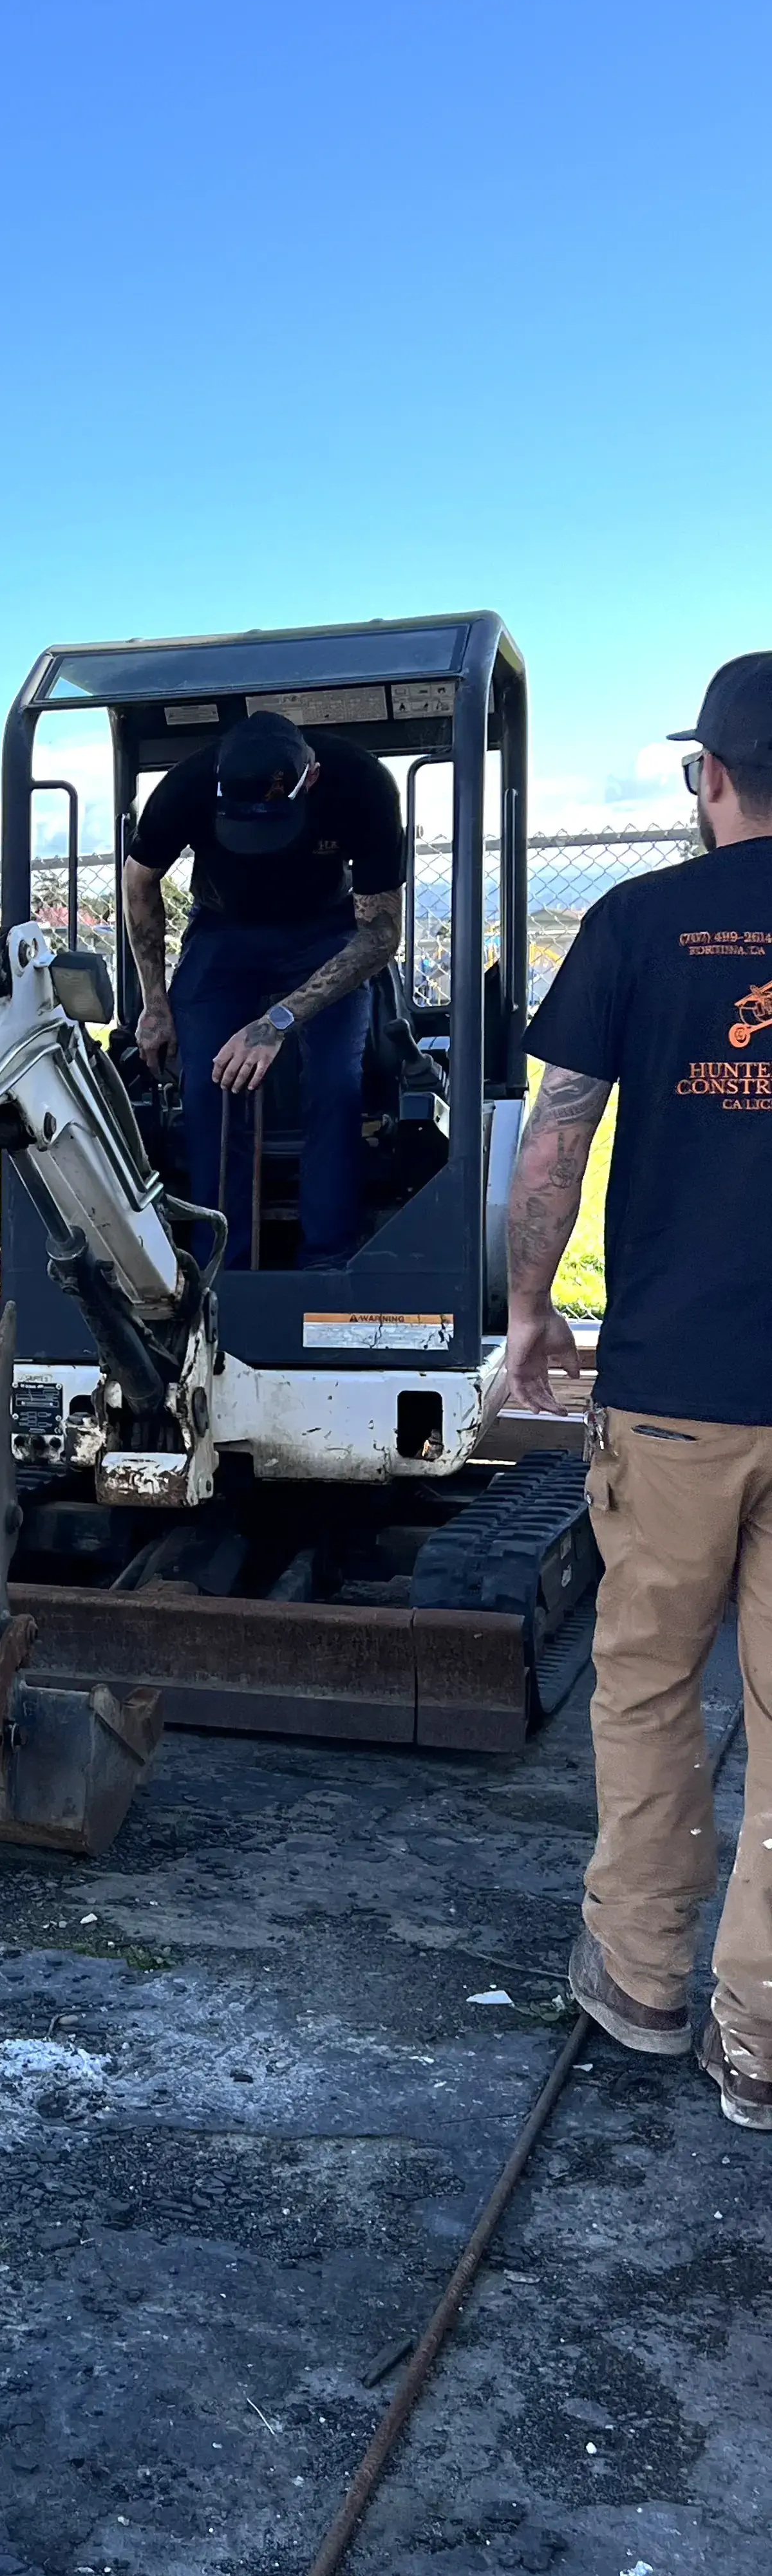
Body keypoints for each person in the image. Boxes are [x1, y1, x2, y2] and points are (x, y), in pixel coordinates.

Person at [505, 651, 772, 2131]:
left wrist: (529, 1310)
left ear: (708, 776)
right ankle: (765, 2040)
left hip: (672, 1394)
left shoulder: (638, 922)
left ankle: (644, 1982)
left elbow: (557, 1136)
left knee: (654, 1686)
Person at [124, 711, 405, 1267]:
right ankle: (221, 1267)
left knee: (334, 1083)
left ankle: (326, 1262)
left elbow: (380, 936)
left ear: (311, 779)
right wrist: (154, 1005)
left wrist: (276, 1021)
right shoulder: (188, 785)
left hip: (328, 932)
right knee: (208, 1087)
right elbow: (139, 878)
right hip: (223, 930)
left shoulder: (362, 784)